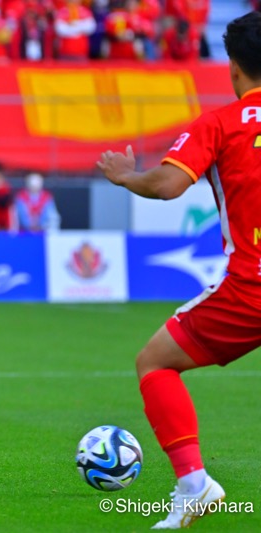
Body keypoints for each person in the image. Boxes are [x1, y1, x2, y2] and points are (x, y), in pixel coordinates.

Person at [96, 12, 261, 528]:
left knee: (155, 363)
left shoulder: (220, 123)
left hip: (252, 289)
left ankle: (194, 484)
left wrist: (126, 175)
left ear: (232, 67)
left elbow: (168, 187)